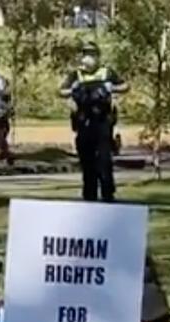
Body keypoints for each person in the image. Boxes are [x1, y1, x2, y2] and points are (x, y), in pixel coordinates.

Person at [60, 40, 128, 203]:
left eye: (91, 54)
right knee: (87, 161)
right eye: (85, 54)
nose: (88, 58)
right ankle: (89, 194)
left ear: (97, 56)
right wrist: (73, 89)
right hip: (83, 122)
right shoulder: (76, 75)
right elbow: (61, 91)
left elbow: (125, 86)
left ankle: (107, 192)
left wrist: (110, 87)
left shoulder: (106, 72)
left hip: (102, 122)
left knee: (104, 160)